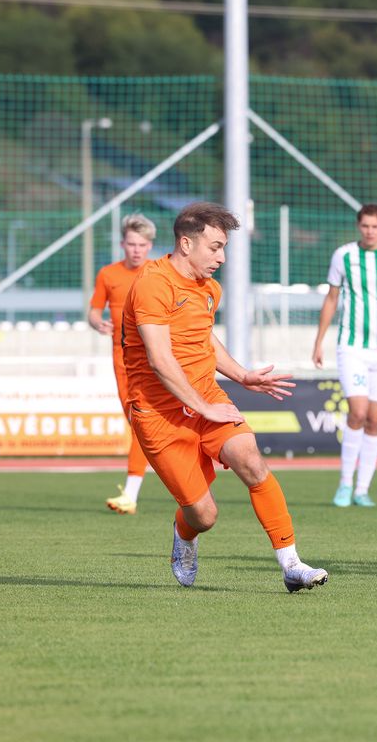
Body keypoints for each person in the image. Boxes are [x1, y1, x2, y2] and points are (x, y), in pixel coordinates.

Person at [122, 202, 327, 591]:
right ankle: (184, 535)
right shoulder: (152, 283)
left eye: (224, 247)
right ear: (186, 243)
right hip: (158, 414)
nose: (222, 257)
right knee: (204, 515)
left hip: (207, 399)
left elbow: (204, 341)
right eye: (215, 247)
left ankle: (292, 564)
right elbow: (159, 358)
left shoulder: (209, 289)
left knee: (252, 462)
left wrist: (242, 375)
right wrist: (202, 408)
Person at [312, 204, 377, 508]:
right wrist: (319, 341)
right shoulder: (344, 255)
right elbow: (332, 298)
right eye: (365, 226)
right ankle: (345, 484)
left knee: (375, 420)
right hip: (352, 347)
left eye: (375, 226)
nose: (370, 231)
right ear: (358, 227)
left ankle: (363, 488)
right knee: (358, 413)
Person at [90, 214, 156, 515]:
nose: (136, 250)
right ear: (122, 244)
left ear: (150, 245)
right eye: (131, 244)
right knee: (137, 421)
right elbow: (93, 311)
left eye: (142, 244)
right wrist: (97, 323)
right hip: (121, 357)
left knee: (143, 421)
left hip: (155, 357)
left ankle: (131, 493)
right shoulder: (107, 274)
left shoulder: (157, 273)